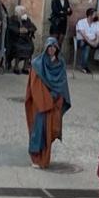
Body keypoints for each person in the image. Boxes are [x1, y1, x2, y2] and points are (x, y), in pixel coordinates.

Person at [24, 37, 71, 169]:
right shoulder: (37, 64)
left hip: (54, 102)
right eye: (49, 47)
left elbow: (62, 83)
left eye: (54, 47)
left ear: (57, 49)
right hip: (42, 104)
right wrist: (46, 100)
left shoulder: (60, 63)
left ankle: (44, 159)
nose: (51, 49)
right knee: (38, 130)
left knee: (51, 130)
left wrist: (55, 96)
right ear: (45, 48)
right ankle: (36, 158)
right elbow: (35, 86)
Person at [6, 5, 36, 75]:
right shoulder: (13, 19)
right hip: (16, 39)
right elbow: (11, 28)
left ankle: (25, 67)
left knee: (30, 47)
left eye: (24, 11)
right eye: (22, 11)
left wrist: (27, 30)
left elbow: (33, 27)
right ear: (18, 12)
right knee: (18, 48)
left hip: (25, 39)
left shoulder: (27, 19)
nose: (24, 12)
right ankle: (16, 67)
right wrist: (19, 30)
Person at [75, 8, 99, 74]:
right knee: (86, 46)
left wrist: (96, 42)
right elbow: (84, 35)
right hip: (82, 41)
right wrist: (91, 43)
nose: (97, 16)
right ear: (90, 15)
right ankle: (84, 66)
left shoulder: (97, 23)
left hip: (94, 41)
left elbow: (98, 34)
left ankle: (83, 66)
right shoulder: (81, 22)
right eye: (95, 14)